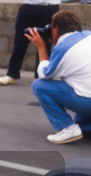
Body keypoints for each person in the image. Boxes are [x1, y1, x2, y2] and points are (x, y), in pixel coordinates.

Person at [29, 10, 91, 144]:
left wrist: (41, 47)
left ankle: (67, 128)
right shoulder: (88, 35)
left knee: (39, 86)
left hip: (88, 102)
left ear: (56, 29)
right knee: (82, 126)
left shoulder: (63, 47)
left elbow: (45, 74)